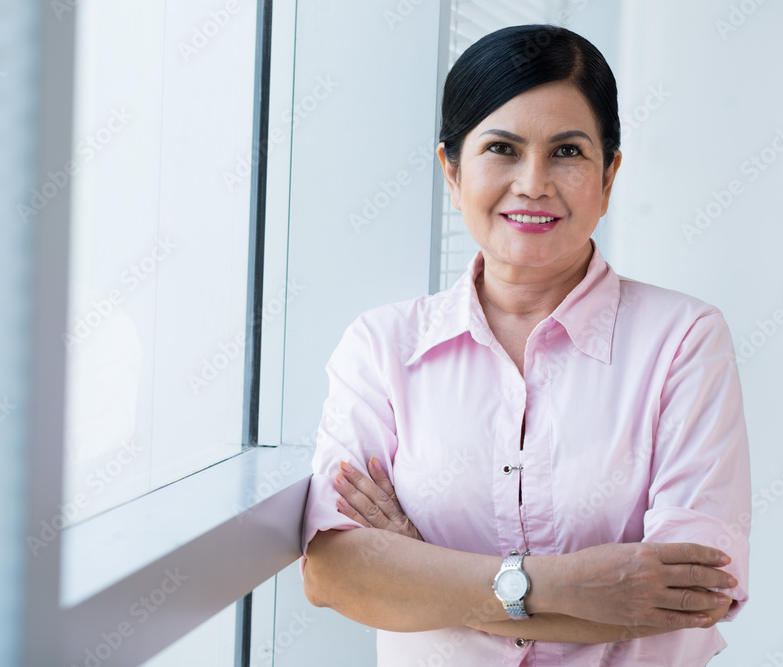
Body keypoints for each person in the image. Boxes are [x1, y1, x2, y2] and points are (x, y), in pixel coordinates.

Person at [299, 24, 751, 666]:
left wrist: (421, 570)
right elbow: (334, 574)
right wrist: (570, 585)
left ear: (609, 174)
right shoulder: (380, 348)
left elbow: (689, 597)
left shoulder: (683, 341)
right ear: (452, 171)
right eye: (502, 148)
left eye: (567, 151)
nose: (534, 182)